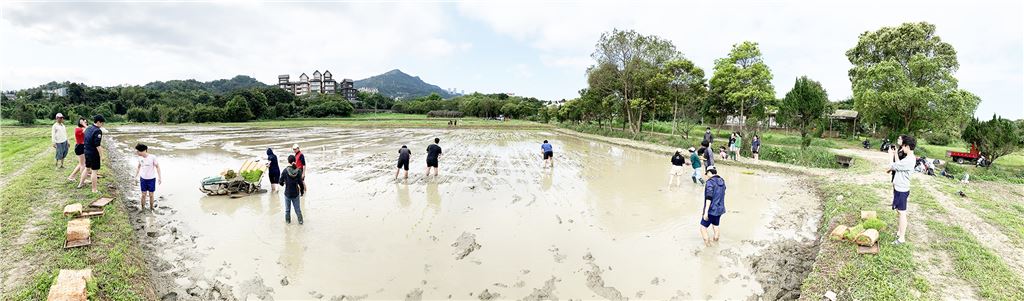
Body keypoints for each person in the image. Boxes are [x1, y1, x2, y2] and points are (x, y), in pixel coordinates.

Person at [888, 135, 916, 244]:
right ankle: (899, 232)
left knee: (902, 212)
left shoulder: (909, 160)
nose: (902, 148)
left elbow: (893, 166)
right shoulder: (908, 158)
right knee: (899, 212)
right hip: (899, 188)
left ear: (907, 146)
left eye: (903, 146)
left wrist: (890, 155)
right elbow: (899, 164)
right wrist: (895, 154)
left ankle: (902, 238)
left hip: (902, 190)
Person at [77, 115, 105, 193]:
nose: (102, 125)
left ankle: (80, 184)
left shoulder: (88, 128)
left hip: (86, 151)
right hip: (93, 153)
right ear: (98, 122)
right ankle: (94, 190)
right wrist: (102, 156)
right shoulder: (98, 131)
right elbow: (97, 145)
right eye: (102, 123)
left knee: (87, 168)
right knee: (94, 171)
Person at [700, 167, 726, 246]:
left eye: (707, 174)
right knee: (716, 226)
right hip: (720, 209)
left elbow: (709, 197)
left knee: (703, 228)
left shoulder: (710, 182)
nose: (707, 176)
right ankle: (716, 244)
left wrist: (706, 212)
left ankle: (708, 247)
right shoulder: (722, 181)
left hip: (711, 210)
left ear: (709, 172)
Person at [135, 144, 162, 210]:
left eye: (138, 151)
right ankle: (143, 208)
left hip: (151, 179)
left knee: (151, 194)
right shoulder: (139, 158)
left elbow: (157, 166)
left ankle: (151, 208)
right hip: (143, 179)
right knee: (143, 194)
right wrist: (136, 176)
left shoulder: (152, 157)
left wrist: (159, 177)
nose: (137, 152)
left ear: (143, 151)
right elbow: (139, 167)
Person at [281, 155, 305, 224]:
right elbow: (301, 183)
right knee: (298, 210)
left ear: (288, 161)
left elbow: (280, 182)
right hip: (296, 193)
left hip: (287, 193)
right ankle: (301, 222)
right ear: (295, 161)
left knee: (287, 210)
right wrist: (302, 192)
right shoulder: (298, 171)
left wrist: (284, 183)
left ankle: (288, 223)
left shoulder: (285, 171)